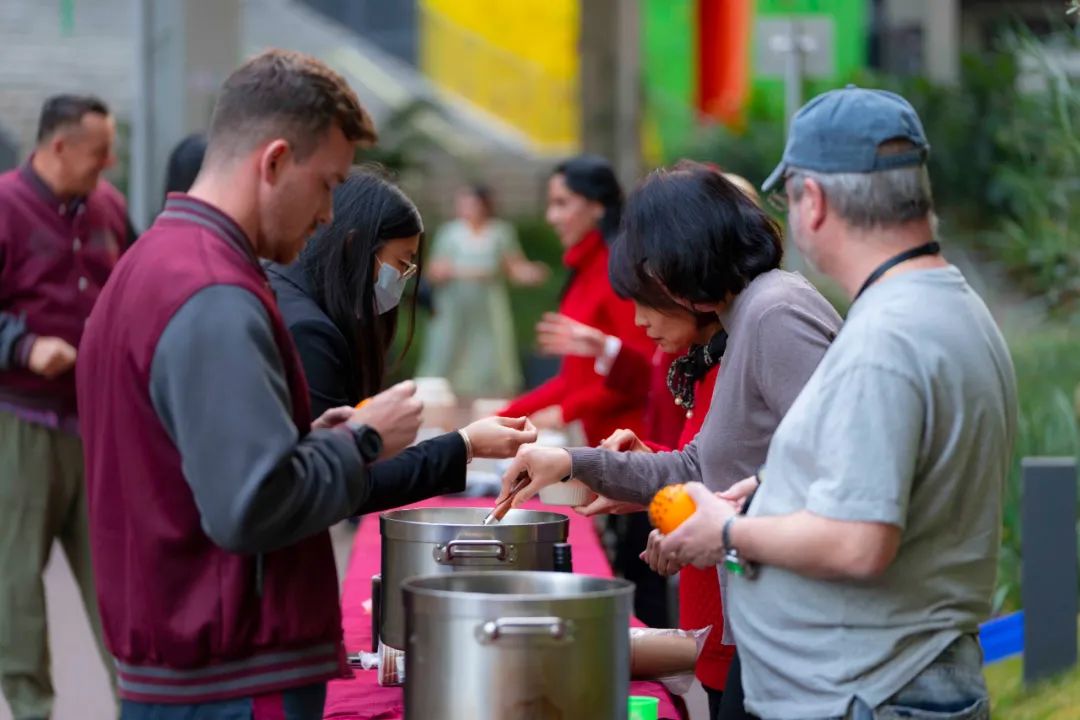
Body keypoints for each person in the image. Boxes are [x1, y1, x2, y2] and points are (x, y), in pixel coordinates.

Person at [77, 50, 427, 720]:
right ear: (272, 163)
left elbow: (194, 465)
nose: (329, 214)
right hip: (230, 676)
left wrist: (320, 439)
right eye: (327, 184)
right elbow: (250, 508)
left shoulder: (151, 260)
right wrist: (363, 441)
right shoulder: (213, 291)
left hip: (183, 661)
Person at [653, 88, 1018, 720]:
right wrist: (767, 489)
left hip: (873, 693)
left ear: (813, 201)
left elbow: (859, 543)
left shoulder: (886, 337)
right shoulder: (952, 305)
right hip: (904, 681)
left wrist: (730, 531)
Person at [497, 162, 842, 718]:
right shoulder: (744, 319)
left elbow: (838, 471)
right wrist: (569, 461)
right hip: (767, 626)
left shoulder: (775, 311)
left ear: (683, 262)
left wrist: (726, 522)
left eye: (644, 293)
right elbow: (698, 466)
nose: (635, 320)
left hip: (799, 635)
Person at [267, 172, 538, 508]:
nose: (403, 280)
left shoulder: (290, 293)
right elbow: (338, 482)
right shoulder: (309, 331)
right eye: (402, 264)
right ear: (355, 246)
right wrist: (464, 444)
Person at [0, 93, 125, 720]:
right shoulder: (4, 206)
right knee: (15, 581)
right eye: (99, 151)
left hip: (95, 424)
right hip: (20, 421)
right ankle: (31, 709)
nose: (109, 161)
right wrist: (21, 345)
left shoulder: (109, 207)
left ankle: (138, 702)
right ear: (57, 146)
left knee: (116, 578)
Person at [499, 154, 653, 446]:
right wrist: (505, 416)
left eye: (562, 203)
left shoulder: (616, 272)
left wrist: (564, 412)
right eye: (551, 204)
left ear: (597, 206)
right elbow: (575, 378)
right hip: (598, 443)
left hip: (632, 445)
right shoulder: (584, 271)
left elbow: (643, 368)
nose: (551, 216)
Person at [416, 184, 548, 398]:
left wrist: (532, 273)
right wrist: (461, 272)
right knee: (446, 349)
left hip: (487, 306)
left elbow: (513, 267)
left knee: (489, 354)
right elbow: (434, 270)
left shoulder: (500, 232)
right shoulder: (450, 232)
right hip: (453, 305)